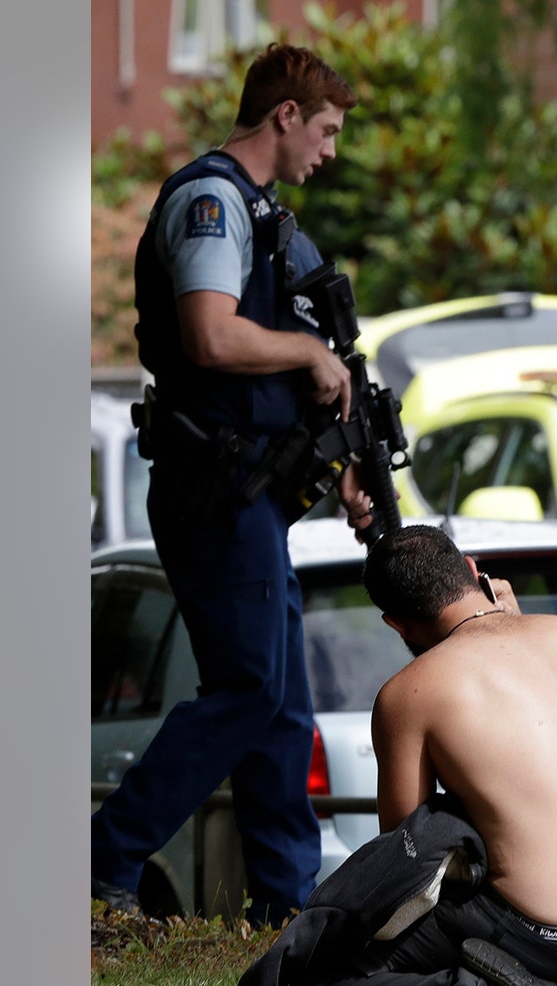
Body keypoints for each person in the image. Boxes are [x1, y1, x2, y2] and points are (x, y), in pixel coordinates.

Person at [91, 44, 360, 926]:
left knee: (281, 702)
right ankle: (101, 862)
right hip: (215, 489)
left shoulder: (266, 216)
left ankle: (288, 909)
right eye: (324, 130)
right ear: (285, 115)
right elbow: (210, 336)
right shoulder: (211, 202)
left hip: (251, 494)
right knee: (248, 688)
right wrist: (309, 353)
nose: (329, 150)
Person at [235, 525, 557, 986]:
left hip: (536, 940)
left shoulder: (410, 692)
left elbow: (404, 856)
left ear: (395, 624)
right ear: (471, 570)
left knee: (301, 982)